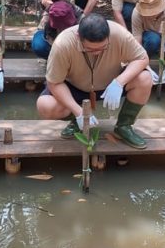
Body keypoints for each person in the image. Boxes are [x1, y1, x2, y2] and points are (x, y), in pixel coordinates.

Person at [36, 13, 152, 149]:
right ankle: (76, 120)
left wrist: (119, 82)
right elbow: (54, 82)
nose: (96, 52)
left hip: (109, 83)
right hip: (75, 87)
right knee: (45, 105)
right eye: (90, 49)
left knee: (145, 78)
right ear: (79, 37)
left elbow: (142, 58)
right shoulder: (63, 43)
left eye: (102, 48)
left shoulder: (119, 33)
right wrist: (78, 112)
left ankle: (124, 126)